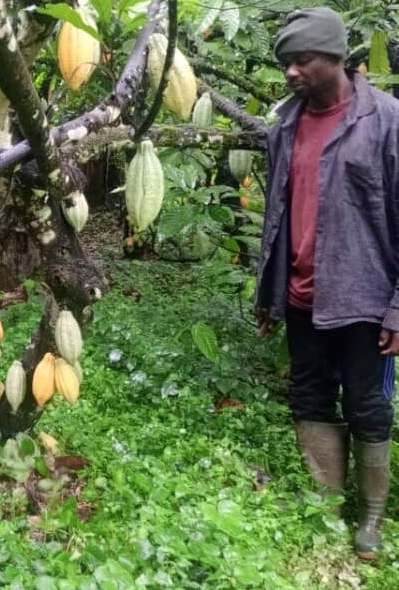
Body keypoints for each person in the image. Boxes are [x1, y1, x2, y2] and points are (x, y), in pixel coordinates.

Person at [255, 7, 399, 560]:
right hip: (300, 293)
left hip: (364, 296)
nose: (291, 72)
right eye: (286, 62)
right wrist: (268, 292)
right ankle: (325, 506)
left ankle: (372, 520)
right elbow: (278, 215)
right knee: (309, 396)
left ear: (336, 58)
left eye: (301, 60)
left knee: (366, 404)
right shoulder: (285, 125)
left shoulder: (385, 121)